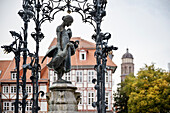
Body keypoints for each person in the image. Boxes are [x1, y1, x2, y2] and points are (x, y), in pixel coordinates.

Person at [42, 15, 77, 82]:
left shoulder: (66, 30)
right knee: (60, 63)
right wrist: (60, 49)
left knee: (65, 63)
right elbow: (59, 40)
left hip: (66, 48)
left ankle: (60, 78)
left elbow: (66, 39)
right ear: (66, 21)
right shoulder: (59, 28)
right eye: (70, 23)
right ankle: (59, 78)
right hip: (61, 48)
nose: (70, 25)